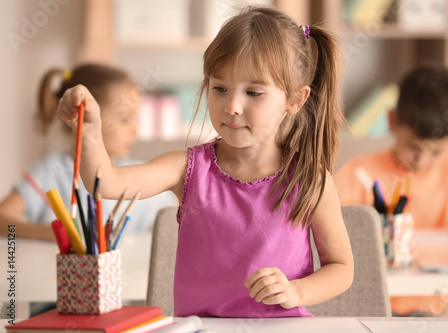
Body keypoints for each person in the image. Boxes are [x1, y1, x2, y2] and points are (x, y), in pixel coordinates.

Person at [57, 6, 354, 318]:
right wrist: (89, 131)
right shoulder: (186, 168)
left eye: (253, 92)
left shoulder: (310, 179)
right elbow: (106, 183)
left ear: (295, 99)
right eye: (220, 88)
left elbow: (341, 267)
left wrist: (298, 291)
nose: (233, 106)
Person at [334, 66, 448, 316]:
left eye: (435, 152)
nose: (421, 160)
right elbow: (321, 220)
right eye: (413, 147)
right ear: (392, 121)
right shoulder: (360, 172)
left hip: (423, 308)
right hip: (365, 301)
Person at [0, 64, 177, 241]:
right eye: (124, 119)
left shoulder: (134, 173)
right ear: (85, 117)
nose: (135, 130)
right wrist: (46, 234)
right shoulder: (52, 170)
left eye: (135, 119)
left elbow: (180, 204)